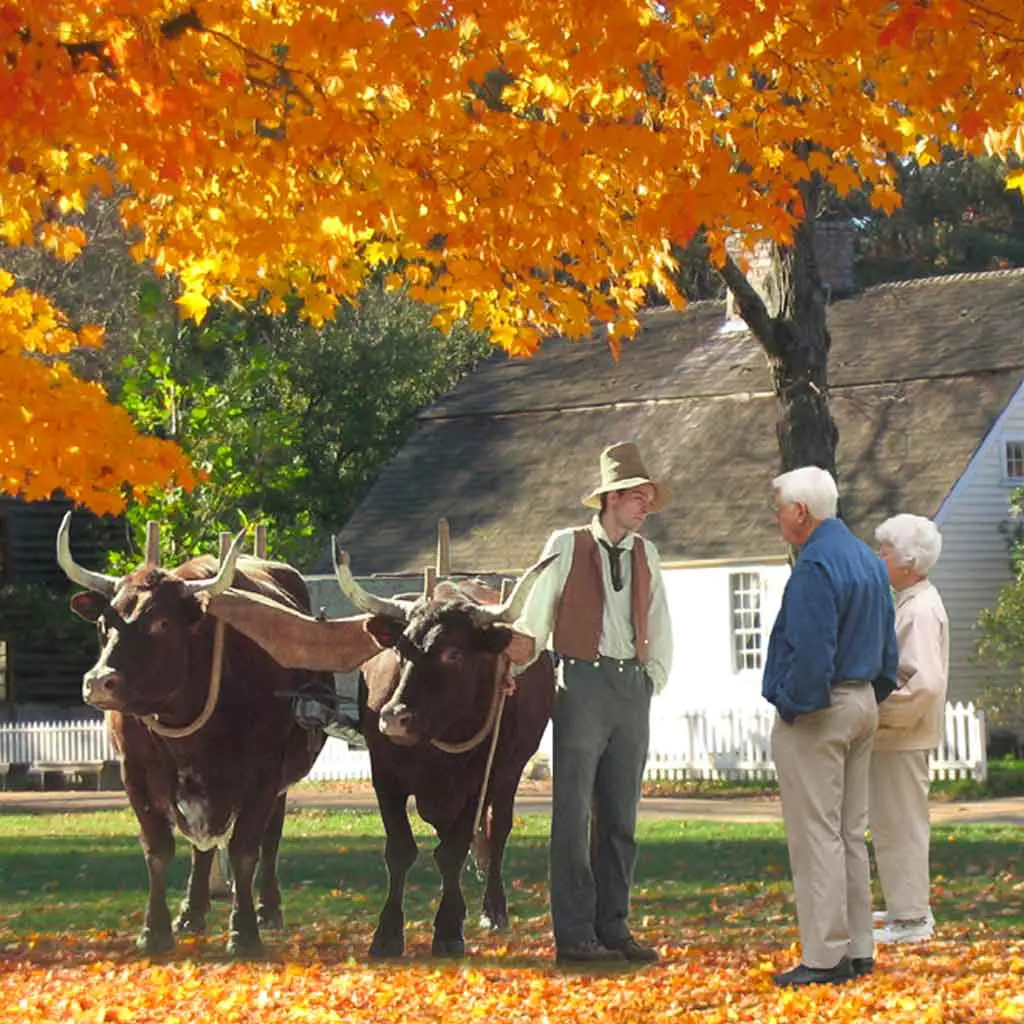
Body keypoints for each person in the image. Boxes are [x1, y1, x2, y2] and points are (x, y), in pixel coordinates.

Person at [513, 441, 673, 966]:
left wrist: (652, 679)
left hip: (631, 687)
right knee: (573, 813)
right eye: (636, 495)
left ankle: (615, 928)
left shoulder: (646, 553)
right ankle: (576, 934)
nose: (645, 505)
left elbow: (661, 620)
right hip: (579, 682)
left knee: (622, 815)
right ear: (610, 499)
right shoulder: (566, 544)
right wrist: (513, 668)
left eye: (648, 496)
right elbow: (534, 619)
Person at [762, 466, 899, 988]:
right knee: (847, 833)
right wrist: (869, 694)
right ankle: (859, 947)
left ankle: (824, 956)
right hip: (863, 699)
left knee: (816, 833)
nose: (777, 520)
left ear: (801, 511)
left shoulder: (815, 564)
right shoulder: (867, 559)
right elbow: (889, 648)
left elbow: (812, 650)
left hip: (822, 708)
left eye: (779, 510)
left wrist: (796, 707)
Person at [870, 514, 949, 944]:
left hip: (901, 737)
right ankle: (905, 908)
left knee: (900, 825)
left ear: (909, 560)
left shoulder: (918, 609)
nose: (879, 557)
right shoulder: (912, 601)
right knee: (893, 823)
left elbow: (925, 682)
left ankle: (912, 918)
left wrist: (881, 715)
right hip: (900, 736)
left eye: (885, 551)